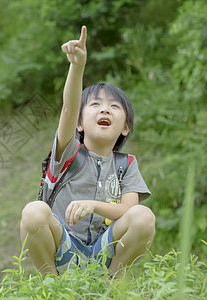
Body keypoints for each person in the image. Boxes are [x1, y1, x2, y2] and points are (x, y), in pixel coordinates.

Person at [20, 26, 155, 278]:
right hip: (65, 245)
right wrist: (77, 65)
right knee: (33, 212)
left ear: (125, 127)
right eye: (95, 104)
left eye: (114, 106)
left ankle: (111, 284)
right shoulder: (68, 151)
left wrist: (94, 205)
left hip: (104, 250)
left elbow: (130, 211)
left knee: (143, 216)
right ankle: (54, 286)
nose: (105, 110)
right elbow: (69, 109)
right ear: (80, 124)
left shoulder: (127, 164)